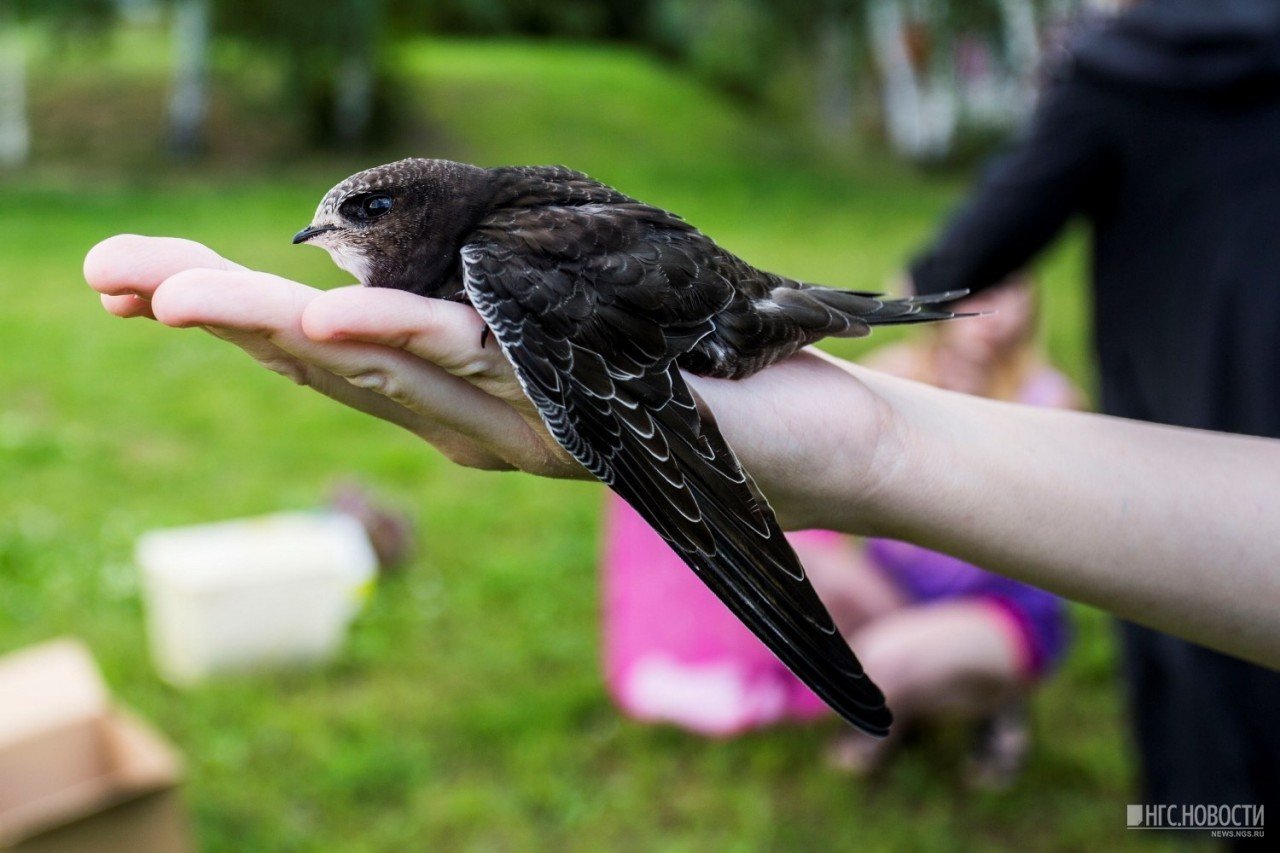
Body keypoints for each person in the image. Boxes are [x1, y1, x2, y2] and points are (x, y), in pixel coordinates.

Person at [83, 235, 1280, 675]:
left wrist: (854, 447)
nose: (325, 245)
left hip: (722, 310)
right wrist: (875, 446)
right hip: (718, 310)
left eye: (355, 224)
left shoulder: (509, 257)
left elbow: (641, 403)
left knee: (618, 410)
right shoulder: (502, 245)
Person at [905, 0, 1280, 817]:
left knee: (1208, 621)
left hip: (1193, 402)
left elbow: (977, 244)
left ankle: (1227, 813)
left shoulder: (1125, 68)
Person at [601, 277, 1077, 784]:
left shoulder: (1048, 400)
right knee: (789, 575)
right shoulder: (901, 372)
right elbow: (798, 410)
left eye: (1009, 291)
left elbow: (1056, 538)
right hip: (896, 584)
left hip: (998, 606)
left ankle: (992, 704)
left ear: (1031, 305)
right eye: (979, 286)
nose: (989, 310)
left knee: (880, 662)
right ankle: (908, 695)